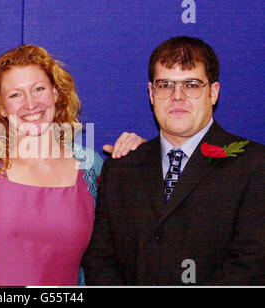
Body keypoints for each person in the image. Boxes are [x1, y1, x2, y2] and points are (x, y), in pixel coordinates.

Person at [0, 44, 143, 287]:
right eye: (15, 95)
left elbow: (132, 241)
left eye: (39, 89)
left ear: (55, 93)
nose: (30, 104)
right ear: (0, 106)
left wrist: (146, 156)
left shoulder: (91, 166)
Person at [83, 36, 265, 285]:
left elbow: (251, 265)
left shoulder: (254, 166)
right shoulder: (120, 169)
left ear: (213, 92)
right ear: (151, 93)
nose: (177, 96)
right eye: (165, 84)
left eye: (191, 85)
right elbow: (100, 261)